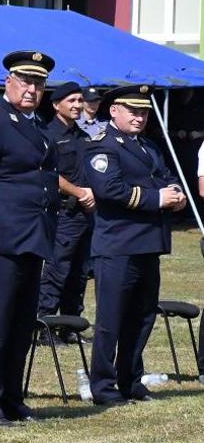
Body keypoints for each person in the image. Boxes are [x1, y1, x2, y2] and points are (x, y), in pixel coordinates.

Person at [0, 50, 58, 426]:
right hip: (1, 240)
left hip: (32, 238)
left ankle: (12, 399)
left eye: (38, 84)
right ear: (9, 82)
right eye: (26, 82)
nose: (32, 90)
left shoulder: (35, 124)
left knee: (21, 326)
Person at [84, 84, 185, 405]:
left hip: (148, 243)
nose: (140, 117)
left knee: (142, 317)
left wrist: (176, 194)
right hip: (118, 244)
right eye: (134, 111)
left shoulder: (148, 146)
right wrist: (158, 198)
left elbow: (165, 175)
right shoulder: (102, 145)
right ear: (114, 111)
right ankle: (103, 385)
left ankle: (131, 379)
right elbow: (109, 188)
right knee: (111, 320)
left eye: (144, 111)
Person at [38, 82, 97, 319]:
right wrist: (79, 192)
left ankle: (71, 324)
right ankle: (45, 322)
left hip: (85, 214)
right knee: (57, 270)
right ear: (55, 105)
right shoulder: (47, 135)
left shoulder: (82, 136)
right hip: (63, 213)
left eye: (79, 100)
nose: (77, 105)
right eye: (71, 101)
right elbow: (49, 174)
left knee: (80, 272)